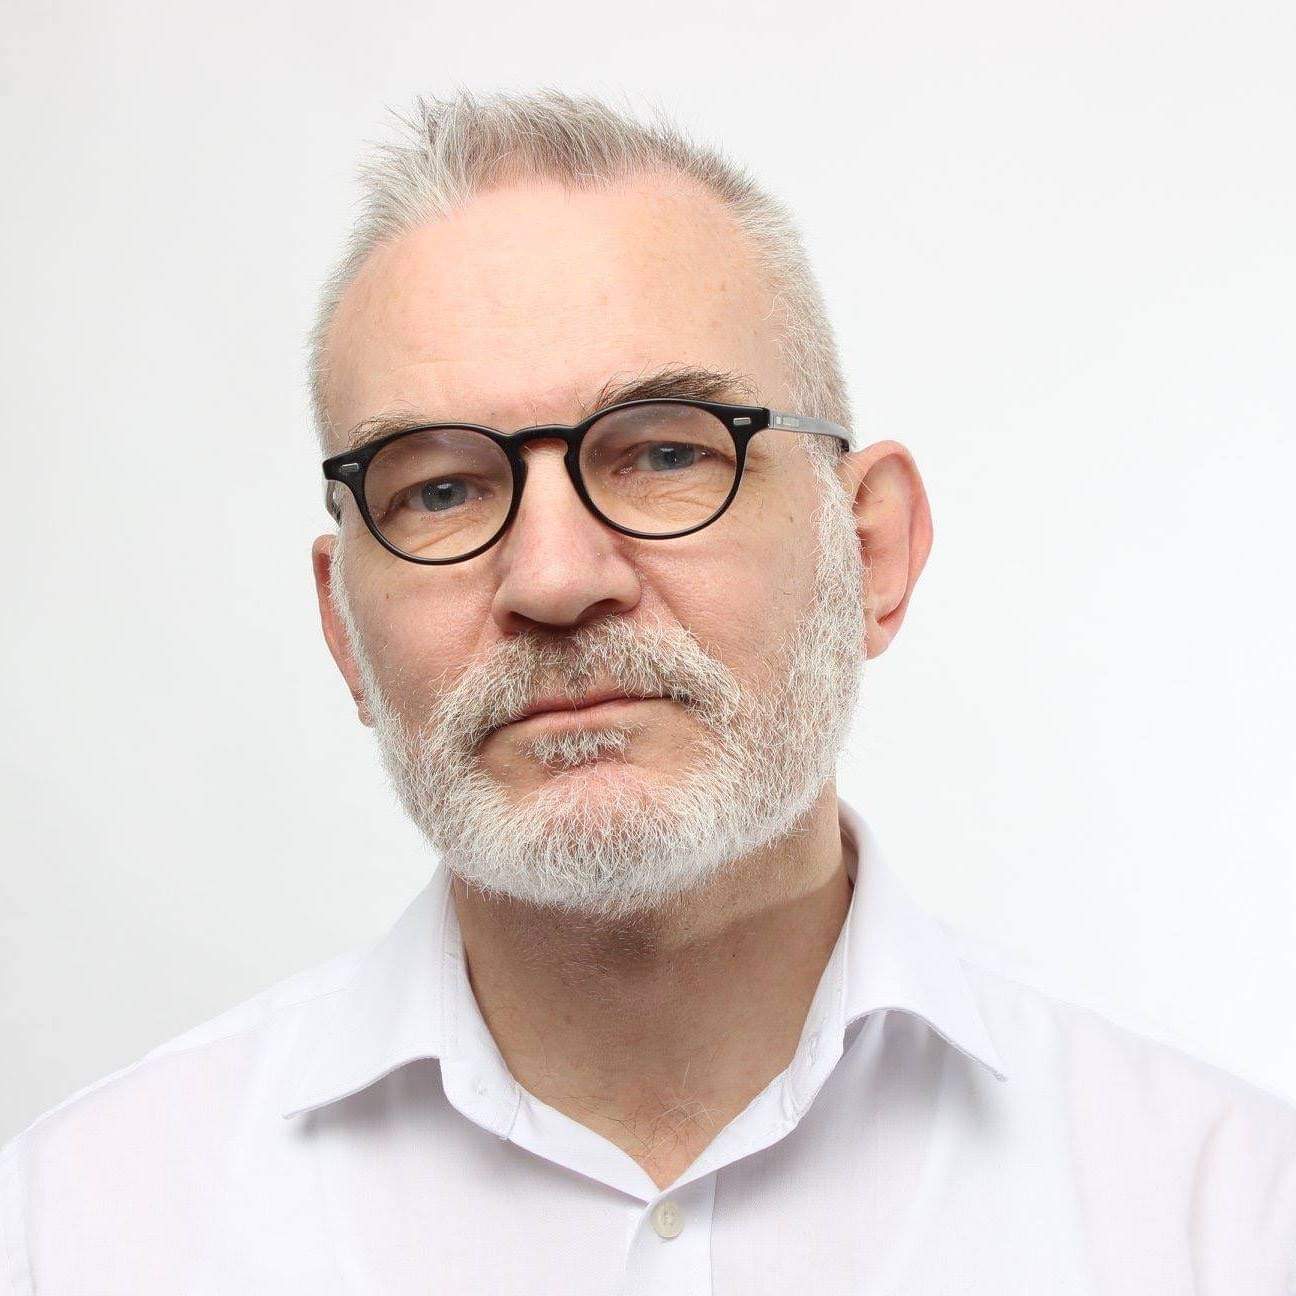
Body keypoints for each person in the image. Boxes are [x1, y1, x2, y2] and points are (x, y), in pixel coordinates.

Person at [2, 87, 1293, 1295]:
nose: (555, 578)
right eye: (439, 487)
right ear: (345, 630)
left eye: (669, 453)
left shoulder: (1229, 1220)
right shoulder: (77, 1231)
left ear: (873, 551)